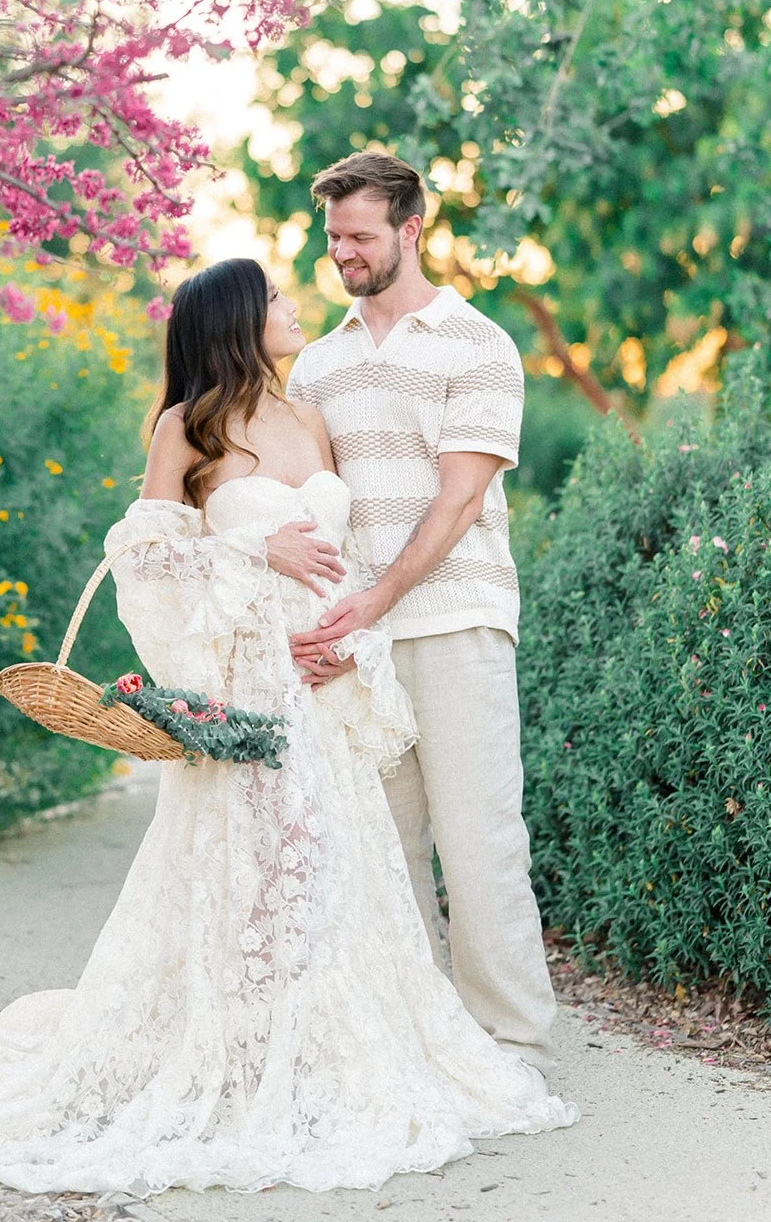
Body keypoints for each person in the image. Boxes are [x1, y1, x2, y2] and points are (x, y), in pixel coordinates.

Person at [0, 257, 576, 1197]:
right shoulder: (186, 426)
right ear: (239, 321)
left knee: (332, 877)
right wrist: (253, 550)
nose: (296, 309)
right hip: (247, 689)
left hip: (321, 688)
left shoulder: (311, 417)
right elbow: (144, 561)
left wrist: (345, 646)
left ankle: (326, 1051)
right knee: (246, 877)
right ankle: (240, 1056)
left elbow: (343, 560)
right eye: (279, 300)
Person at [287, 150, 558, 1078]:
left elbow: (456, 502)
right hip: (357, 635)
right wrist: (324, 620)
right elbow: (305, 506)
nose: (343, 253)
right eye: (332, 238)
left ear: (410, 229)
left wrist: (380, 597)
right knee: (385, 843)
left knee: (479, 835)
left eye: (360, 235)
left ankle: (509, 1041)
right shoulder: (315, 365)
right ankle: (423, 1038)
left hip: (453, 617)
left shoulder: (477, 343)